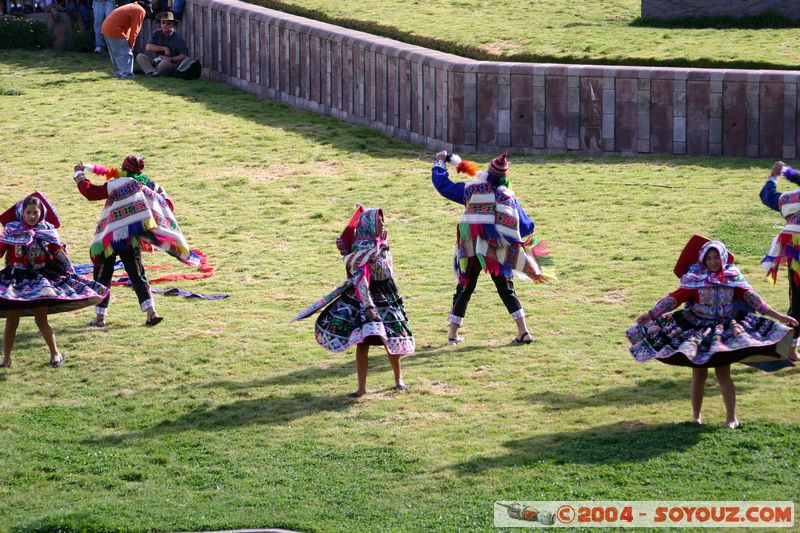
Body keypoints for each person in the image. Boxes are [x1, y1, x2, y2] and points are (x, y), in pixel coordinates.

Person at [627, 236, 798, 429]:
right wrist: (651, 314)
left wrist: (781, 317)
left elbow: (756, 301)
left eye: (716, 258)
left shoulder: (734, 278)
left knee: (724, 373)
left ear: (723, 257)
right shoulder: (695, 279)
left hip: (724, 331)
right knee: (699, 375)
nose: (713, 262)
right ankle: (696, 417)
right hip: (697, 330)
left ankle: (732, 418)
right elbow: (674, 299)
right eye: (708, 259)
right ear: (703, 260)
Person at [431, 150, 552, 345]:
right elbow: (527, 226)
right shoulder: (509, 197)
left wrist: (439, 164)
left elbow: (444, 186)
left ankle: (453, 334)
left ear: (488, 172)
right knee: (506, 289)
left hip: (471, 247)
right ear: (505, 177)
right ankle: (524, 331)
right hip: (498, 250)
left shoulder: (472, 189)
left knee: (465, 287)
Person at [293, 206, 414, 397]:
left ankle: (399, 379)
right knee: (363, 342)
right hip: (367, 299)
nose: (383, 224)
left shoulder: (379, 242)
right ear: (369, 224)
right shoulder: (363, 248)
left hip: (386, 293)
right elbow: (361, 279)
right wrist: (368, 306)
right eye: (379, 221)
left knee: (392, 338)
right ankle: (362, 388)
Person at [73, 155, 200, 327]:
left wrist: (79, 176)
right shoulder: (148, 186)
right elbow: (166, 206)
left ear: (124, 167)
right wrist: (163, 193)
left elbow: (91, 193)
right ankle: (151, 312)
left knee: (103, 274)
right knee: (137, 274)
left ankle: (100, 317)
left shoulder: (117, 183)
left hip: (110, 236)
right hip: (131, 239)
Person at [0, 193, 107, 368]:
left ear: (41, 213)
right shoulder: (11, 230)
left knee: (41, 320)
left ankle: (55, 354)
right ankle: (6, 359)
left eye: (35, 212)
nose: (32, 216)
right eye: (28, 212)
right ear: (22, 212)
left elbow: (58, 253)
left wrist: (70, 271)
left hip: (39, 281)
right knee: (12, 321)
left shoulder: (47, 230)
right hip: (15, 281)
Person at [759, 160, 800, 361]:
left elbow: (767, 196)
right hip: (797, 256)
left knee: (798, 302)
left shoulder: (791, 200)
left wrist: (776, 175)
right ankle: (789, 347)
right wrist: (788, 173)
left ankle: (790, 347)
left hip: (795, 254)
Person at [100, 0, 150, 79]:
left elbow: (127, 26)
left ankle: (118, 73)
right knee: (126, 53)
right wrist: (131, 44)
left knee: (115, 54)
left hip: (106, 27)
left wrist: (127, 40)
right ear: (147, 8)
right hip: (115, 29)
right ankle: (127, 75)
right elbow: (135, 30)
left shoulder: (132, 6)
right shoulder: (140, 10)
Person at [135, 11, 189, 77]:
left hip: (170, 63)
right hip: (157, 61)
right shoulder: (157, 33)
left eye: (168, 23)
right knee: (140, 56)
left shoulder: (178, 38)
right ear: (160, 24)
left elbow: (185, 55)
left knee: (164, 64)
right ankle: (153, 72)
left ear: (172, 25)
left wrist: (171, 59)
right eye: (163, 23)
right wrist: (164, 48)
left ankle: (148, 71)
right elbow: (148, 47)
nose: (165, 25)